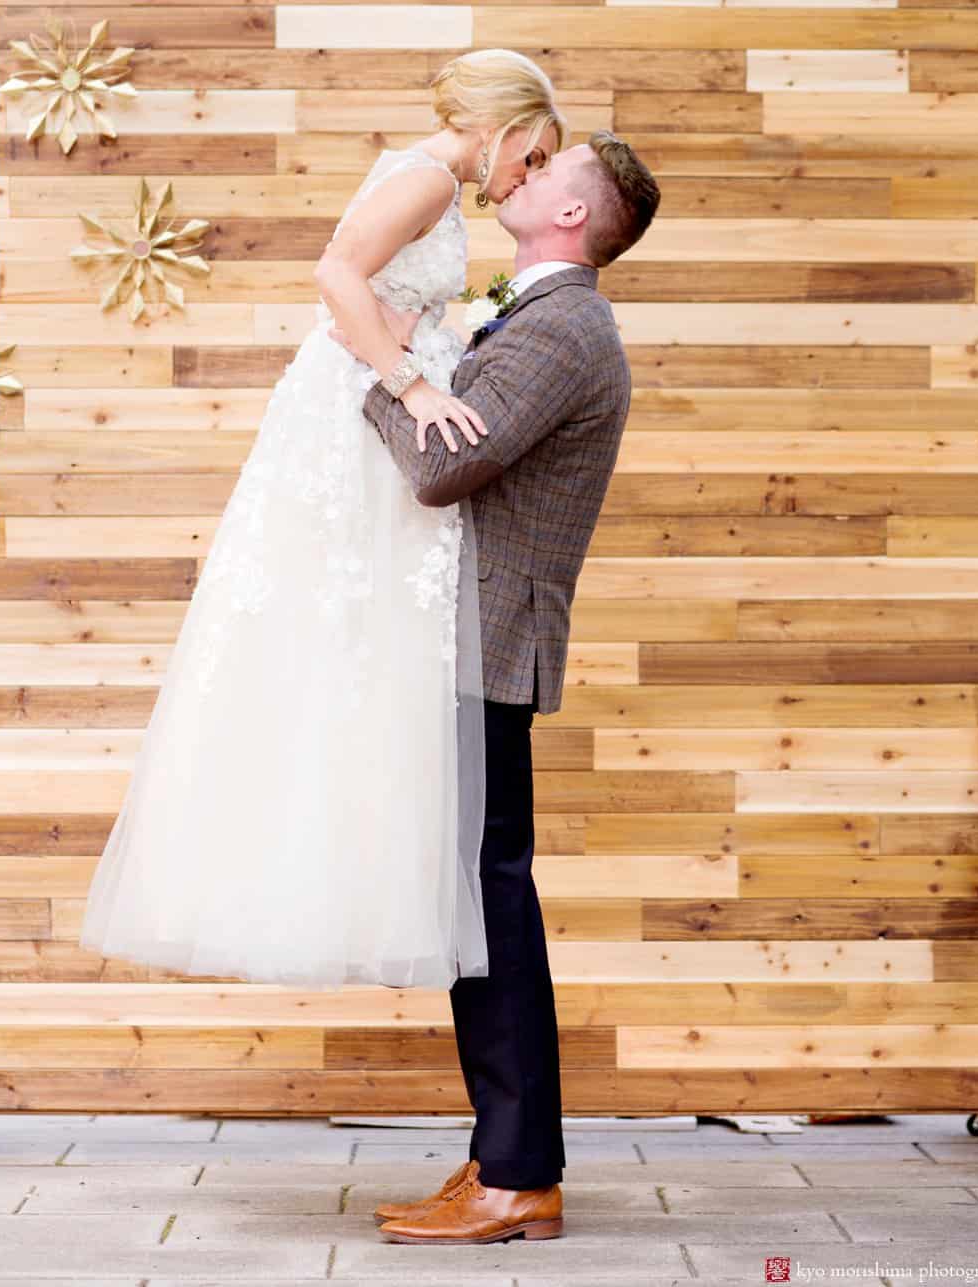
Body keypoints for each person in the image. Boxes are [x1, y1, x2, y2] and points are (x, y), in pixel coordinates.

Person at [76, 49, 565, 993]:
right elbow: (337, 275)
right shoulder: (426, 175)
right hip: (355, 408)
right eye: (532, 156)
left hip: (371, 388)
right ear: (497, 128)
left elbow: (394, 296)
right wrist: (411, 381)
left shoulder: (435, 186)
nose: (529, 178)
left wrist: (465, 324)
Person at [336, 130, 661, 1245]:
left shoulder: (566, 327)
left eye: (550, 169)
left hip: (485, 644)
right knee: (479, 893)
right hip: (465, 638)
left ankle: (520, 1174)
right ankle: (499, 1156)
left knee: (490, 899)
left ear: (574, 216)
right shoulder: (539, 316)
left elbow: (439, 465)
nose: (524, 172)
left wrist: (368, 369)